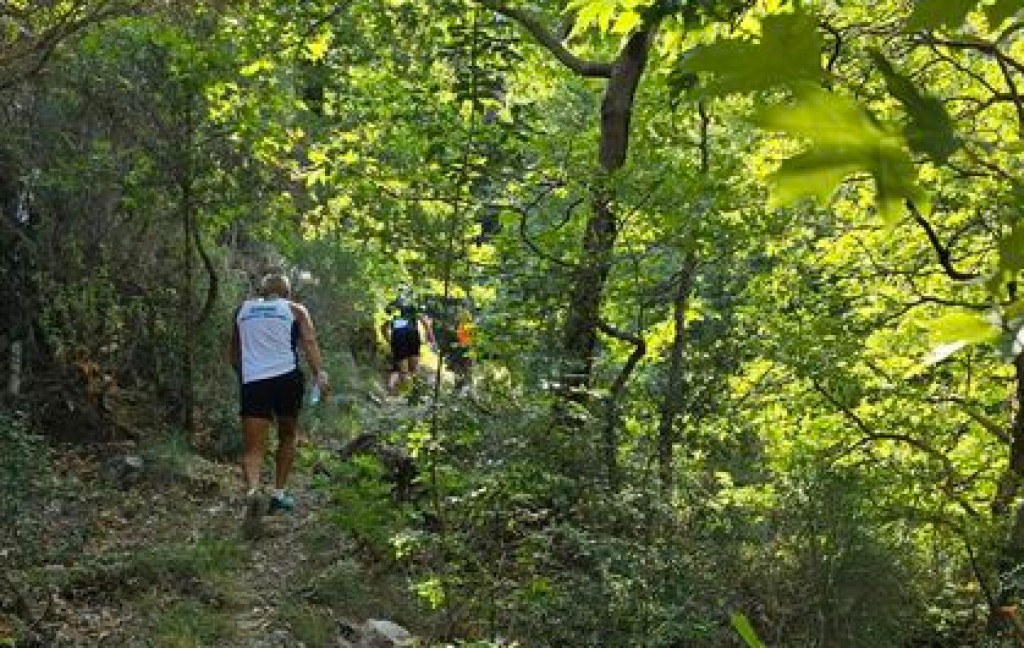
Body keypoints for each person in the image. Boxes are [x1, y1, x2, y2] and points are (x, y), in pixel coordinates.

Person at [229, 272, 329, 516]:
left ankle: (253, 491)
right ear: (286, 292)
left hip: (254, 382)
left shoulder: (242, 310)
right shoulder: (295, 310)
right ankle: (278, 493)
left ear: (261, 292)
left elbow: (234, 353)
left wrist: (246, 374)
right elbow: (310, 342)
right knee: (287, 435)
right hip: (287, 380)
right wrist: (320, 374)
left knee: (253, 448)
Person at [380, 289, 436, 395]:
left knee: (402, 368)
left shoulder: (392, 306)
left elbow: (383, 327)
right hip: (412, 333)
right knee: (412, 369)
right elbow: (425, 323)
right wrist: (432, 339)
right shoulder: (414, 303)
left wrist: (390, 341)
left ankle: (395, 390)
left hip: (399, 334)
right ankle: (407, 394)